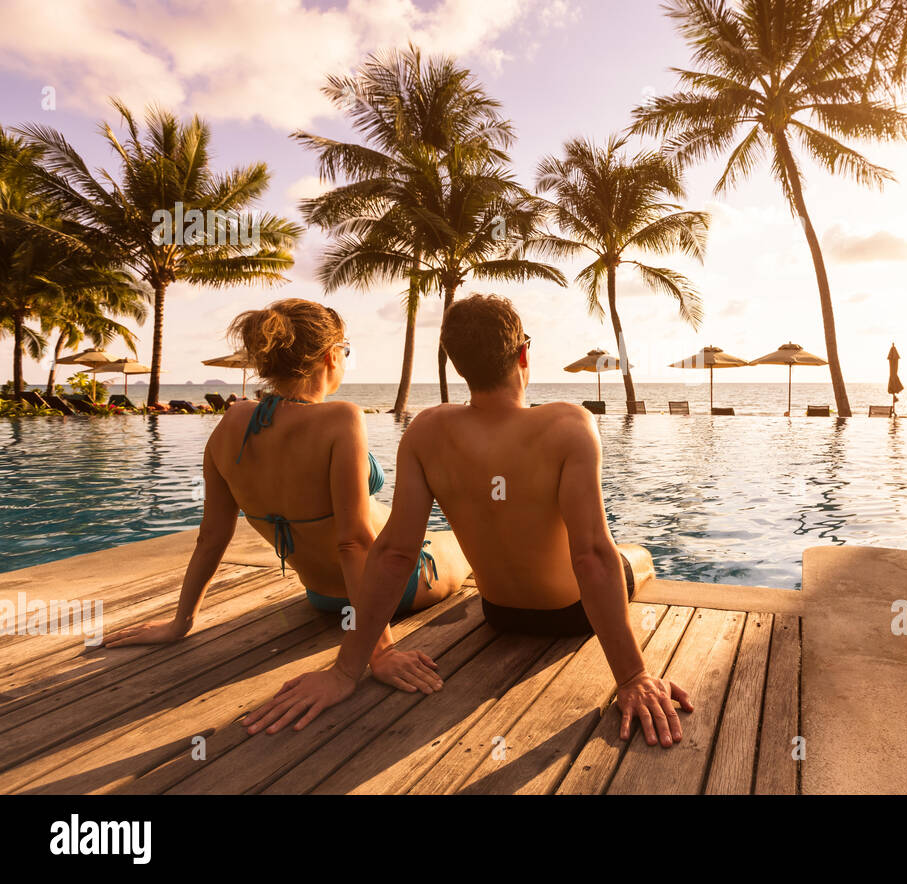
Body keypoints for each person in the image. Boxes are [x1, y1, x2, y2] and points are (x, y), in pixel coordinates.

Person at [245, 294, 693, 747]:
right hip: (570, 615)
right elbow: (592, 556)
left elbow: (395, 553)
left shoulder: (426, 430)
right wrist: (633, 675)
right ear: (523, 353)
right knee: (633, 555)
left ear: (458, 365)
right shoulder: (568, 424)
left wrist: (345, 671)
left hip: (498, 613)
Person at [102, 299, 469, 695]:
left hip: (321, 596)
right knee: (466, 539)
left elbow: (211, 537)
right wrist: (378, 653)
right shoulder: (341, 418)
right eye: (346, 352)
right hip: (397, 587)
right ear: (331, 355)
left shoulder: (231, 423)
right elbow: (354, 542)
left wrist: (181, 622)